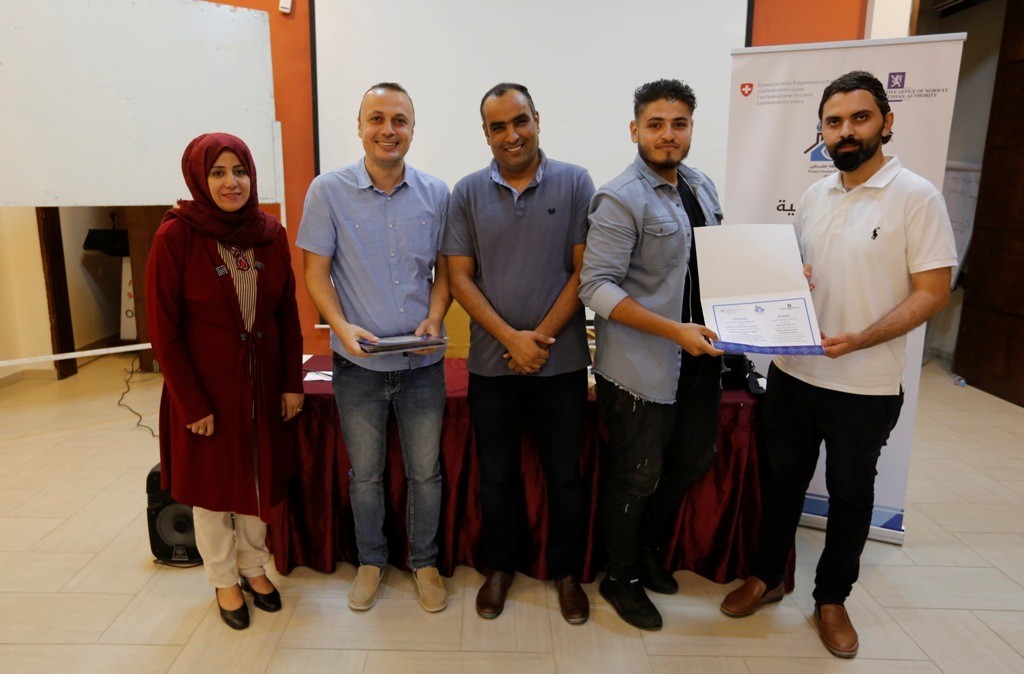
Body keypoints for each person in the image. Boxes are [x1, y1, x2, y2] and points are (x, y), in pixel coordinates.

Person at [720, 71, 956, 658]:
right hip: (794, 374)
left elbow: (933, 292)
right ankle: (767, 577)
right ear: (821, 132)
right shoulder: (813, 196)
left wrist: (862, 339)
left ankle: (831, 600)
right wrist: (787, 280)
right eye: (833, 122)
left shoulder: (917, 196)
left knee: (851, 495)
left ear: (886, 123)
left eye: (859, 118)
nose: (846, 131)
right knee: (781, 484)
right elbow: (802, 275)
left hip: (865, 384)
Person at [443, 82, 594, 625]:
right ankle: (500, 568)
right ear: (486, 134)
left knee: (565, 478)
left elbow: (584, 271)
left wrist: (538, 341)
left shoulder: (576, 182)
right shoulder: (465, 192)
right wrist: (511, 339)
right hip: (493, 365)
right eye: (499, 127)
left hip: (562, 364)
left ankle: (566, 574)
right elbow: (459, 278)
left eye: (520, 121)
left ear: (537, 120)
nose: (512, 135)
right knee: (497, 478)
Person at [298, 82, 451, 614]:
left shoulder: (438, 194)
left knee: (425, 473)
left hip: (423, 365)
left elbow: (446, 272)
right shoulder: (327, 191)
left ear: (412, 128)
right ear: (360, 126)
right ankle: (370, 561)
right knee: (365, 474)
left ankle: (424, 563)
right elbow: (314, 272)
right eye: (377, 119)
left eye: (399, 120)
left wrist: (436, 317)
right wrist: (340, 327)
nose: (389, 130)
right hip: (358, 366)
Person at [579, 79, 725, 631]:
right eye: (656, 124)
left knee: (691, 462)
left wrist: (775, 277)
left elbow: (717, 262)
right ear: (635, 130)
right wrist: (672, 330)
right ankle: (620, 578)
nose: (668, 135)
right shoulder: (621, 197)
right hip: (640, 367)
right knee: (638, 475)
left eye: (678, 124)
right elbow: (596, 287)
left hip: (700, 358)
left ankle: (644, 554)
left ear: (690, 129)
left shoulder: (701, 186)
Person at [146, 132, 305, 630]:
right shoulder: (176, 236)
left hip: (263, 385)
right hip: (206, 391)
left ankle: (254, 566)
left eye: (240, 171)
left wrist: (291, 381)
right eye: (217, 172)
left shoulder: (270, 233)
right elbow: (163, 330)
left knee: (260, 479)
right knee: (213, 490)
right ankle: (222, 578)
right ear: (199, 178)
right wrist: (191, 404)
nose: (231, 182)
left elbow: (286, 315)